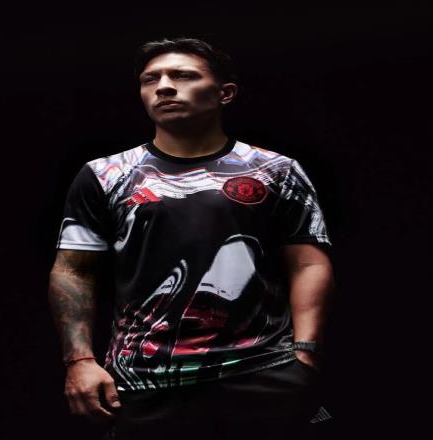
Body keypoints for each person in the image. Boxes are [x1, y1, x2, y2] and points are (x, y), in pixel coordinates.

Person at [48, 37, 336, 440]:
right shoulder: (104, 175)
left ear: (225, 93)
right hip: (144, 379)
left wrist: (305, 354)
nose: (164, 87)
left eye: (183, 76)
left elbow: (307, 262)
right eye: (151, 79)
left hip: (262, 371)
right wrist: (79, 360)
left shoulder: (276, 170)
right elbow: (74, 271)